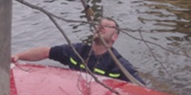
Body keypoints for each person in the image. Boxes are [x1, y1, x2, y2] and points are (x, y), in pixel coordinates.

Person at [11, 17, 145, 84]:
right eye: (99, 25)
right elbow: (46, 52)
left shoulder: (119, 65)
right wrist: (18, 56)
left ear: (115, 37)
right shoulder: (77, 51)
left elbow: (142, 89)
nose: (101, 27)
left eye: (107, 26)